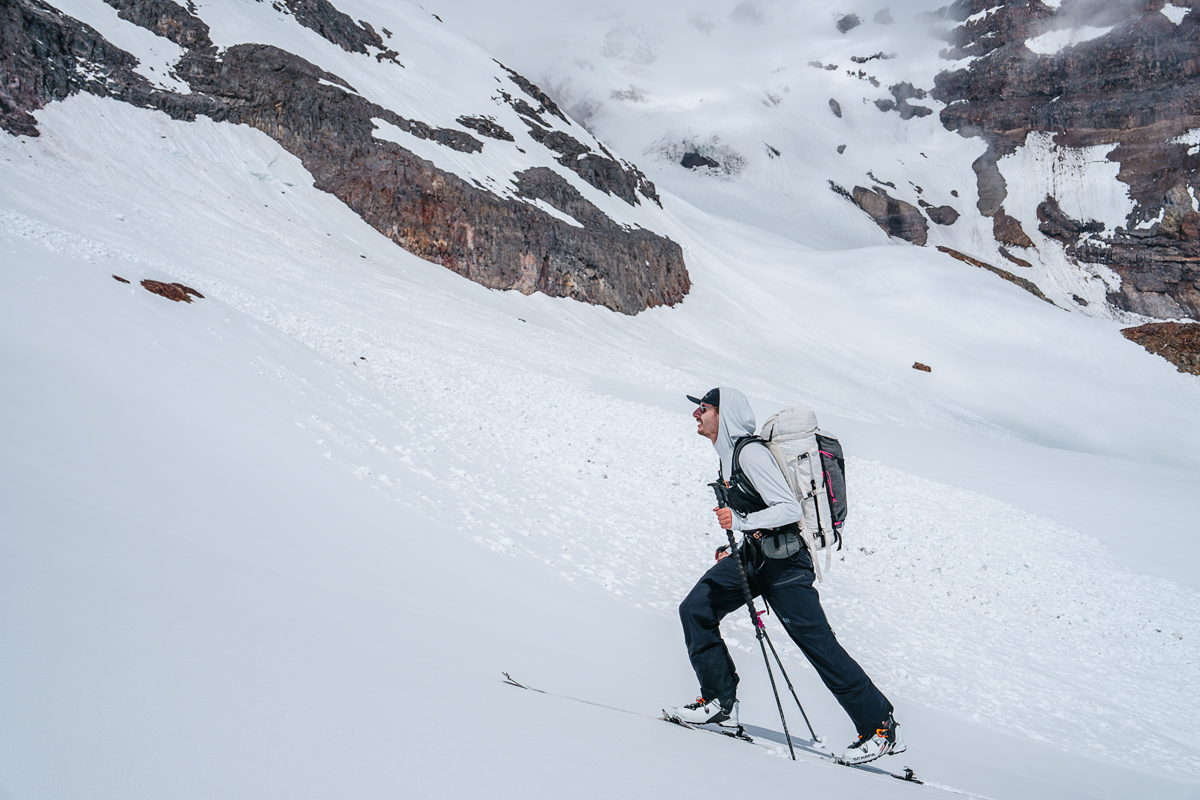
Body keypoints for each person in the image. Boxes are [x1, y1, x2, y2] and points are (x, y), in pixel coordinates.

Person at [667, 387, 904, 765]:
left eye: (704, 408)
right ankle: (719, 703)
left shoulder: (750, 453)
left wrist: (743, 521)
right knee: (696, 607)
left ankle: (880, 726)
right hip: (756, 555)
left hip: (786, 564)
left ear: (723, 414)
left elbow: (788, 508)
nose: (697, 414)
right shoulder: (728, 456)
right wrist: (739, 541)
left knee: (818, 646)